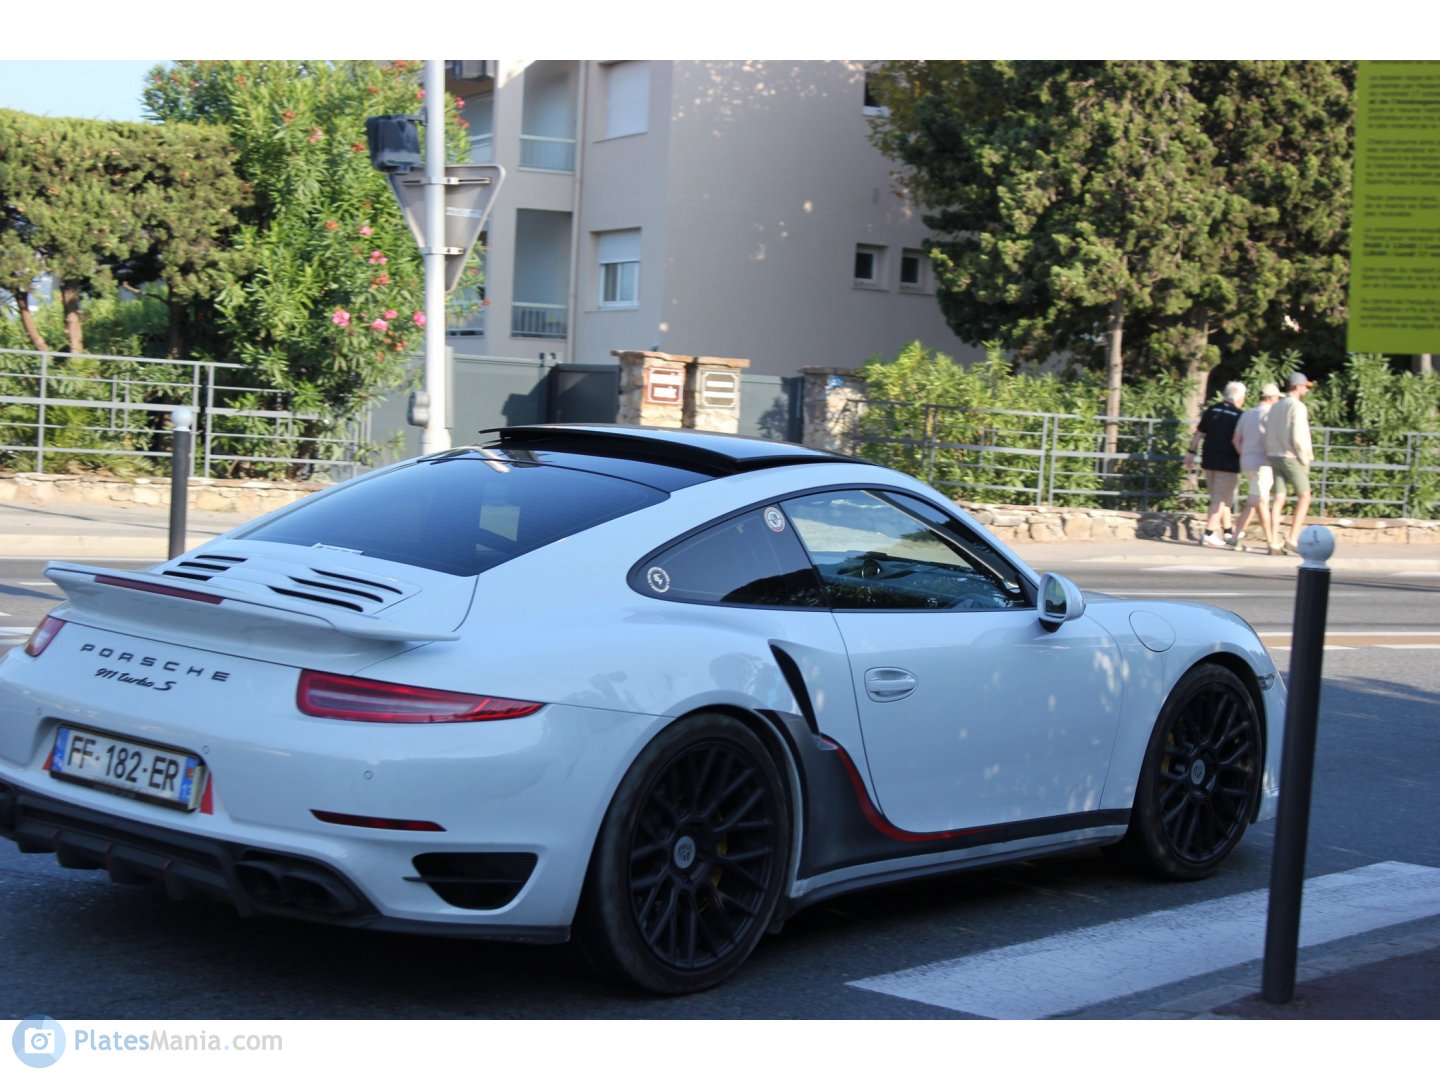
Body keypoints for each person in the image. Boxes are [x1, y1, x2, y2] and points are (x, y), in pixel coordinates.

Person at [1185, 381, 1245, 548]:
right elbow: (1239, 440)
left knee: (1220, 498)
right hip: (1228, 462)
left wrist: (1191, 452)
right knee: (1220, 500)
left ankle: (1227, 531)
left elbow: (1199, 433)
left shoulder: (1212, 410)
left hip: (1208, 460)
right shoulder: (1239, 415)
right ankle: (1209, 534)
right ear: (1240, 398)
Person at [1264, 372, 1316, 553]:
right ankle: (1292, 538)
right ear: (1299, 387)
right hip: (1291, 456)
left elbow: (1268, 430)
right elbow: (1299, 436)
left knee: (1278, 498)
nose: (1306, 390)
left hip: (1274, 455)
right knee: (1305, 495)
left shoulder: (1276, 406)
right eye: (1305, 387)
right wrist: (1304, 458)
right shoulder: (1298, 407)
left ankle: (1273, 541)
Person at [1230, 382, 1282, 553]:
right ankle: (1237, 536)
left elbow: (1236, 440)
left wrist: (1244, 454)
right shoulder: (1271, 416)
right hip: (1263, 464)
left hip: (1246, 462)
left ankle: (1272, 541)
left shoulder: (1247, 414)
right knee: (1255, 500)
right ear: (1272, 398)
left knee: (1262, 502)